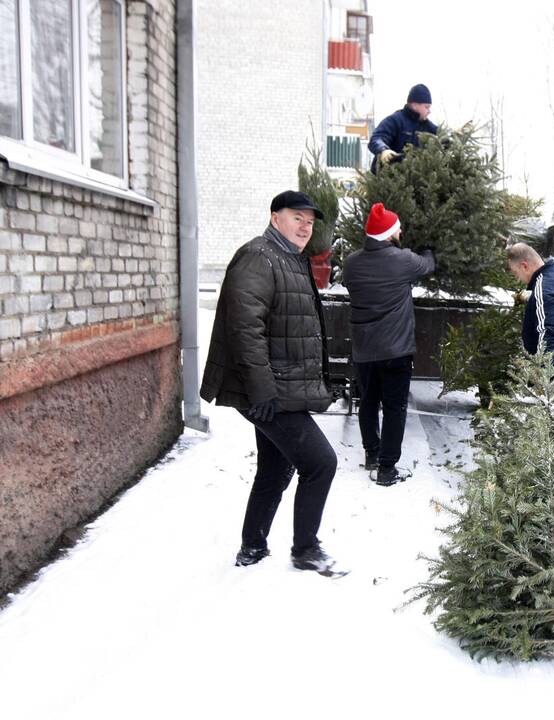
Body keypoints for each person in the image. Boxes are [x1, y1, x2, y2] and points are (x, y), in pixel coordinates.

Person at [200, 190, 343, 575]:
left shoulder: (289, 259)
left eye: (310, 221)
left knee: (276, 468)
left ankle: (252, 546)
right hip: (266, 390)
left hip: (278, 386)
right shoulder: (258, 257)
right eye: (297, 217)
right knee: (321, 463)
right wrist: (262, 390)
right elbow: (245, 329)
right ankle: (306, 549)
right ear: (275, 217)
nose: (305, 226)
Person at [343, 203, 435, 486]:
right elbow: (429, 265)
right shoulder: (404, 260)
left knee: (368, 402)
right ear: (387, 234)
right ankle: (386, 469)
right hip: (396, 350)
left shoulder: (351, 263)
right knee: (395, 408)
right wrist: (429, 247)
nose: (401, 232)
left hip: (364, 350)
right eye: (398, 229)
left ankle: (371, 453)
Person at [506, 243, 554, 364]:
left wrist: (543, 379)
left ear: (524, 266)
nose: (517, 279)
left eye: (516, 273)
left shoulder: (544, 289)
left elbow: (548, 339)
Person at [368, 83, 437, 173]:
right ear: (415, 105)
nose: (429, 111)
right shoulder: (395, 121)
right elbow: (376, 139)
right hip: (388, 178)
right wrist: (383, 150)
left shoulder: (428, 127)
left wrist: (455, 137)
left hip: (414, 181)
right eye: (426, 107)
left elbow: (442, 138)